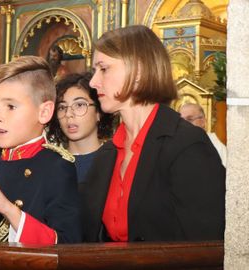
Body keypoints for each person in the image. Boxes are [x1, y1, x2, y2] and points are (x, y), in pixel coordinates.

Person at [81, 25, 225, 242]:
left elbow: (207, 244)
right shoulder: (107, 154)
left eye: (104, 69)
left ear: (138, 71)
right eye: (94, 71)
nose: (93, 82)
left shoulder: (186, 144)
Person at [0, 56, 81, 245]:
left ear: (44, 112)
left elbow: (67, 247)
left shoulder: (56, 167)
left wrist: (7, 208)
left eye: (11, 106)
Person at [48, 72, 113, 184]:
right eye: (62, 107)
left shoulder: (114, 160)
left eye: (79, 105)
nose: (68, 114)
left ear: (98, 112)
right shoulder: (49, 163)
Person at [179, 103, 227, 167]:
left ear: (203, 121)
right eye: (181, 120)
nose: (184, 124)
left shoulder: (217, 147)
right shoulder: (176, 145)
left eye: (189, 119)